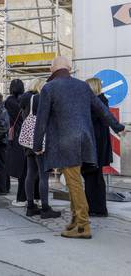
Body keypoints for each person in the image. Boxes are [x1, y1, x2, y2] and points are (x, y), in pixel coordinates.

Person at [33, 56, 125, 239]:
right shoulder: (83, 86)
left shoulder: (49, 88)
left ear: (53, 69)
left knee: (74, 182)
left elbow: (41, 120)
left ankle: (83, 225)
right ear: (68, 68)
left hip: (65, 142)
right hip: (86, 140)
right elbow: (101, 109)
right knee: (74, 179)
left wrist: (37, 144)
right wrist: (118, 127)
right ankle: (75, 221)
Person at [19, 78, 61, 219]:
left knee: (30, 173)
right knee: (43, 175)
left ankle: (30, 206)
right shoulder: (39, 99)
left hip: (28, 141)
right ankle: (45, 207)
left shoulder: (25, 99)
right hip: (40, 140)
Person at [83, 78, 115, 217]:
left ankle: (97, 208)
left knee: (93, 177)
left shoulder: (97, 102)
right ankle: (95, 207)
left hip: (95, 146)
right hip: (97, 145)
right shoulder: (100, 101)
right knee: (94, 177)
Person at [5, 79, 28, 207]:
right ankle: (30, 197)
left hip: (17, 137)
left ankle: (21, 198)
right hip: (28, 134)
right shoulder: (26, 99)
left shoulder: (9, 101)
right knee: (28, 169)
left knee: (20, 170)